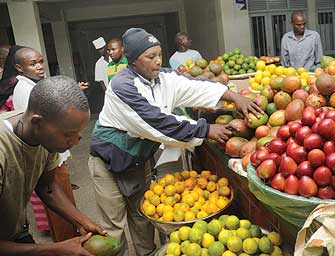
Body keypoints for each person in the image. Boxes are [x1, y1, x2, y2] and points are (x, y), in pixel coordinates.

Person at [88, 27, 263, 256]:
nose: (158, 61)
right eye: (151, 57)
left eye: (159, 54)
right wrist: (206, 129)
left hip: (139, 159)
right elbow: (155, 122)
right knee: (113, 227)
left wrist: (233, 96)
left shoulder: (164, 78)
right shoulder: (122, 87)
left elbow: (195, 85)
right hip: (108, 161)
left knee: (142, 218)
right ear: (132, 60)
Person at [0, 75, 106, 255]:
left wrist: (81, 221)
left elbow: (46, 185)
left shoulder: (44, 136)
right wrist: (54, 249)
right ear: (37, 122)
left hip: (14, 232)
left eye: (79, 134)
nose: (74, 142)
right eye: (68, 135)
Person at [12, 47, 81, 242]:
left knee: (61, 204)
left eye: (41, 62)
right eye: (33, 64)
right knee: (61, 211)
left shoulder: (35, 85)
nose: (40, 67)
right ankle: (67, 243)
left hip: (50, 155)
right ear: (19, 67)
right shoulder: (26, 90)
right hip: (47, 157)